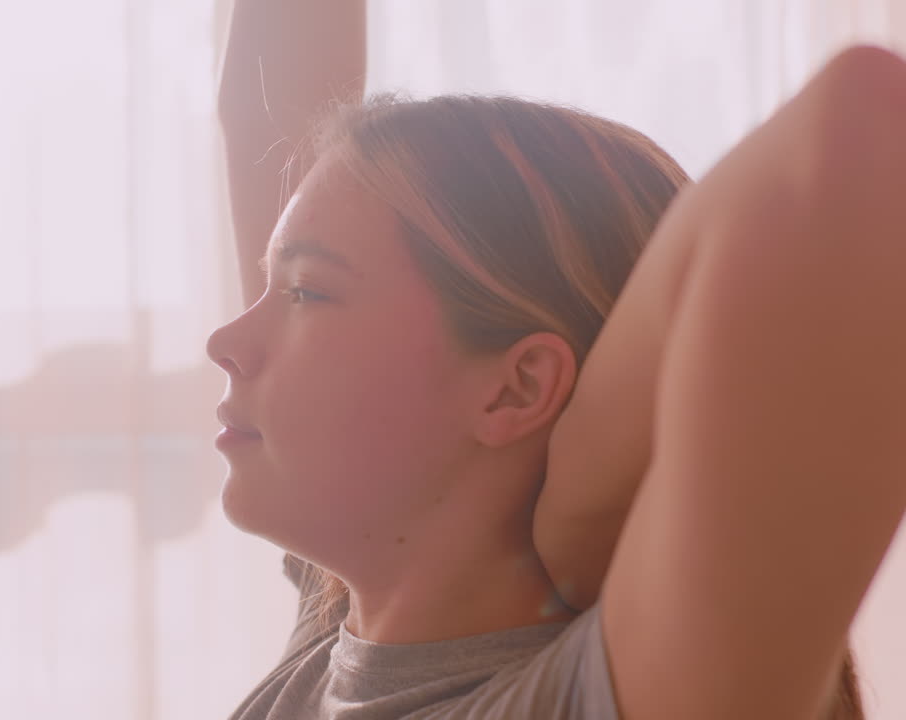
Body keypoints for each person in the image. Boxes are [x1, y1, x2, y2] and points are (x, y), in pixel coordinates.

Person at [206, 1, 906, 718]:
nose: (223, 342)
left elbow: (863, 126)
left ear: (517, 388)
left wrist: (585, 512)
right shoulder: (343, 642)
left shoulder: (577, 703)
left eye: (306, 292)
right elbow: (266, 91)